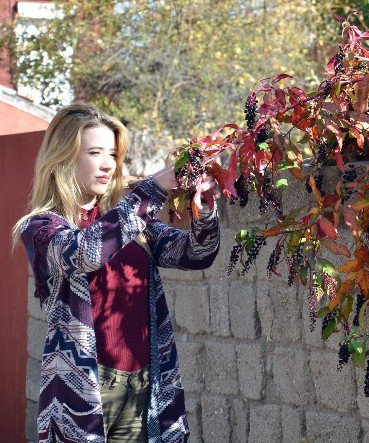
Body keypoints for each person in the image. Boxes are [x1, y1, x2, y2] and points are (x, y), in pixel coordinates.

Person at [12, 103, 221, 442]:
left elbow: (195, 255)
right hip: (86, 391)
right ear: (64, 157)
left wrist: (204, 214)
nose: (108, 164)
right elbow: (85, 252)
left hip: (145, 384)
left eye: (112, 153)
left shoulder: (132, 224)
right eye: (95, 152)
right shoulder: (41, 228)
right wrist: (153, 187)